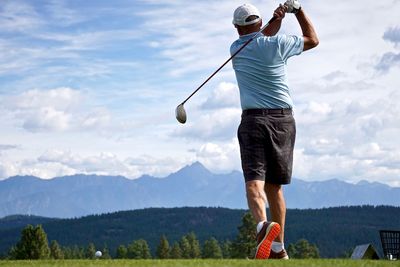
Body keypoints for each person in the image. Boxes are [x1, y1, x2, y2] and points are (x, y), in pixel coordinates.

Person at [231, 0, 319, 260]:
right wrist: (297, 11)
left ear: (236, 28)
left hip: (253, 121)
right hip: (284, 121)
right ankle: (279, 249)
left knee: (254, 184)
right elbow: (312, 39)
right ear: (259, 23)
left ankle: (262, 227)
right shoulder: (279, 45)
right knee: (275, 188)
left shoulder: (236, 48)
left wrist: (276, 20)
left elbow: (257, 38)